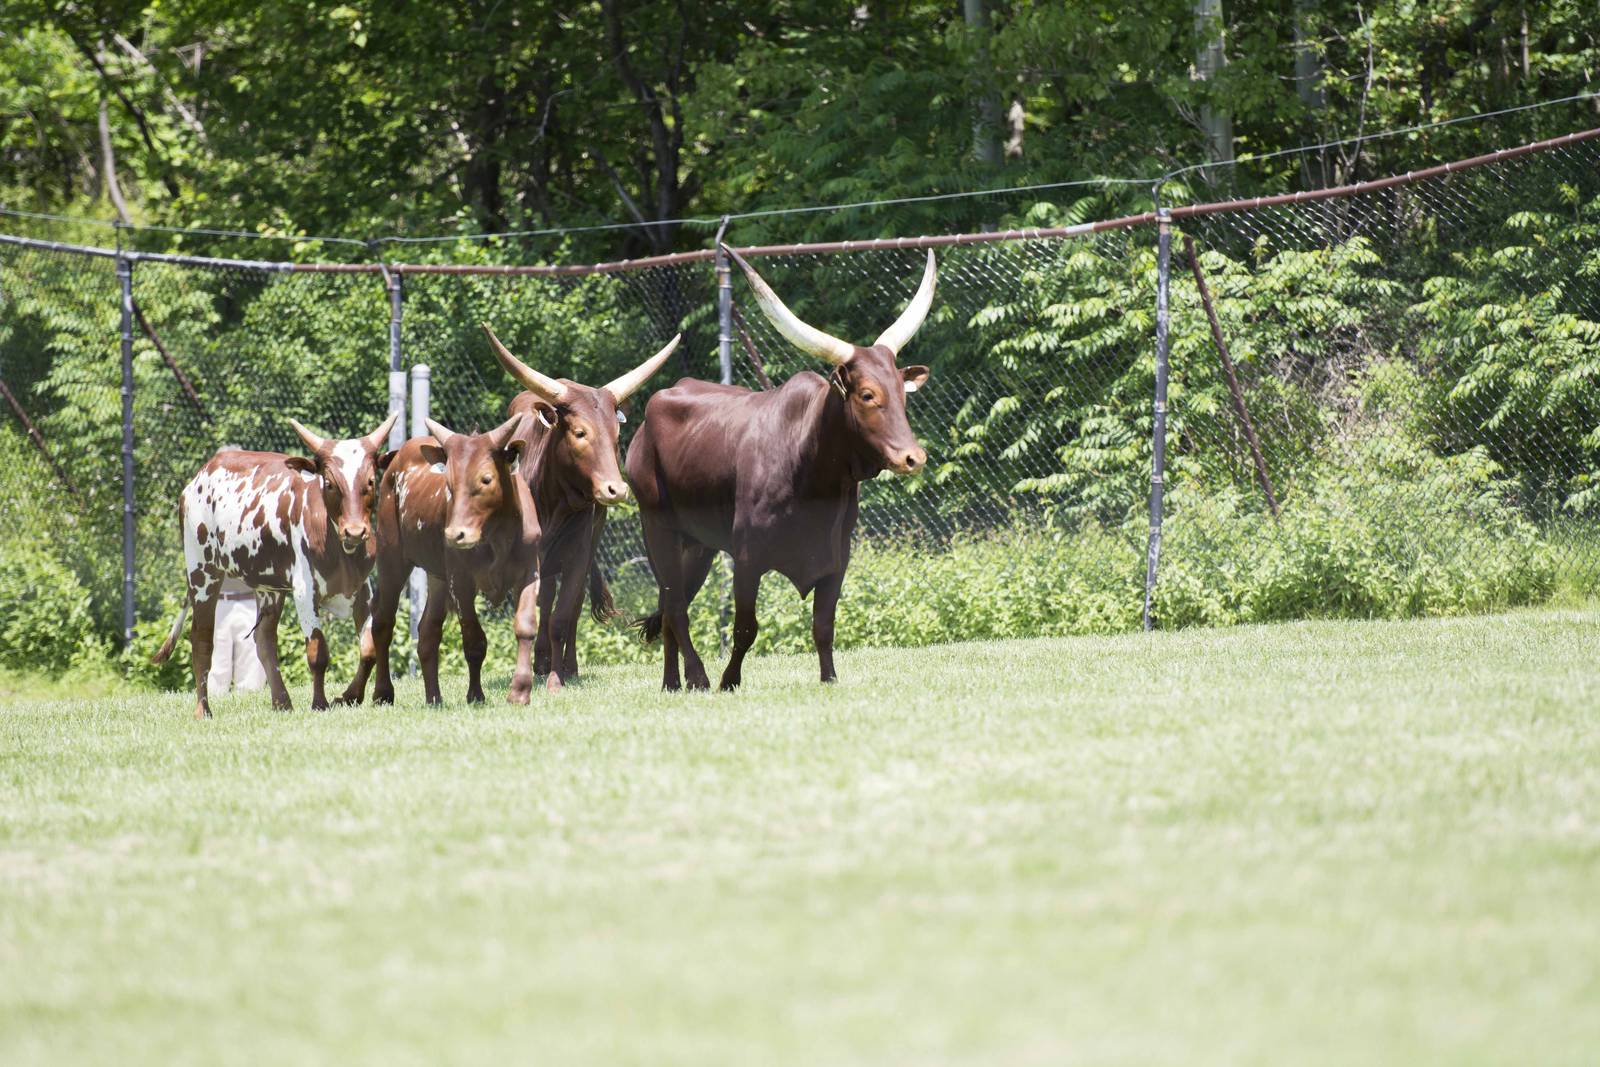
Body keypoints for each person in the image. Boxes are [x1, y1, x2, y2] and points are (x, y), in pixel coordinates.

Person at [207, 576, 267, 695]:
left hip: (250, 600)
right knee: (217, 659)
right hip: (217, 600)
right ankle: (214, 700)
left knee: (252, 658)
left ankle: (250, 703)